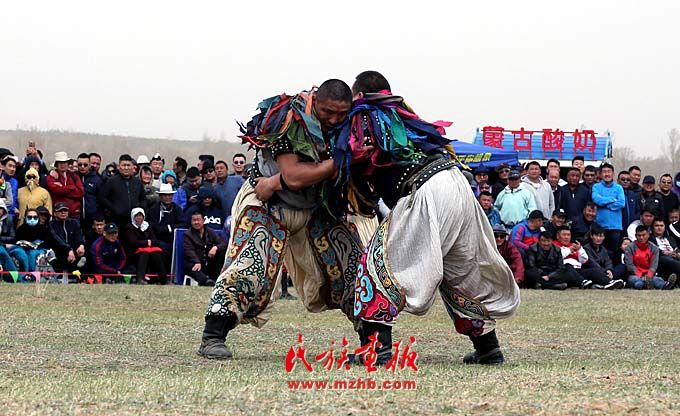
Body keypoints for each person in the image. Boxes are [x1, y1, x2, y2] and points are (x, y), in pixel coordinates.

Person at [331, 71, 519, 365]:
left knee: (377, 264)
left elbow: (350, 156)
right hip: (456, 185)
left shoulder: (366, 114)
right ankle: (488, 348)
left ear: (360, 95)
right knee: (461, 271)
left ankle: (377, 349)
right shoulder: (403, 116)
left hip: (425, 189)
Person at [198, 79, 364, 360]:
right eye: (327, 112)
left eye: (341, 114)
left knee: (352, 267)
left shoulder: (354, 124)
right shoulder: (290, 117)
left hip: (315, 205)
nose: (334, 120)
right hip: (267, 202)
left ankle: (374, 340)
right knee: (249, 266)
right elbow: (294, 176)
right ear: (315, 100)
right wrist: (339, 162)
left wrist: (282, 180)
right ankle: (213, 336)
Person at [98, 154, 145, 229]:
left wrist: (139, 209)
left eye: (128, 165)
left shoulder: (137, 182)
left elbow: (143, 199)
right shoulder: (111, 181)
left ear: (132, 167)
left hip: (133, 222)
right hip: (116, 220)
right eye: (124, 165)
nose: (126, 168)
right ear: (119, 167)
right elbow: (102, 198)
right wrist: (114, 209)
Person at [122, 207, 167, 285]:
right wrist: (148, 242)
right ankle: (140, 279)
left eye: (141, 216)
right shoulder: (129, 227)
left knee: (156, 254)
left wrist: (146, 243)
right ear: (133, 216)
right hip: (134, 252)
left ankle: (163, 279)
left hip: (149, 250)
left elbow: (155, 241)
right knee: (144, 254)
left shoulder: (147, 226)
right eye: (137, 216)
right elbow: (133, 242)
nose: (139, 218)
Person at [624, 225, 676, 290]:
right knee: (636, 281)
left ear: (648, 235)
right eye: (639, 235)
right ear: (635, 236)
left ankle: (665, 285)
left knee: (656, 280)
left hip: (650, 275)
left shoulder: (654, 248)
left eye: (644, 235)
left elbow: (654, 265)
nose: (641, 238)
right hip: (635, 275)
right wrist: (642, 276)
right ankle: (646, 285)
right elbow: (629, 265)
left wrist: (648, 276)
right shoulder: (630, 247)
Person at [183, 211, 227, 286]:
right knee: (194, 268)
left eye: (198, 220)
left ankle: (216, 279)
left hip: (208, 262)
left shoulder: (210, 231)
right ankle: (206, 281)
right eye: (194, 220)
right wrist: (197, 261)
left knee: (221, 253)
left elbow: (223, 243)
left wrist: (215, 247)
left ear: (203, 221)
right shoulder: (188, 234)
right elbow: (189, 250)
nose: (196, 222)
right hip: (194, 262)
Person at [591, 163, 625, 254]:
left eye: (609, 172)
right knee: (598, 252)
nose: (607, 174)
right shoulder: (596, 187)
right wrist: (612, 199)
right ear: (600, 174)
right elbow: (596, 199)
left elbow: (621, 203)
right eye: (604, 172)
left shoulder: (619, 188)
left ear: (613, 174)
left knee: (613, 253)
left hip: (615, 226)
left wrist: (606, 205)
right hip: (599, 226)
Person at [48, 202, 86, 272]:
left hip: (72, 251)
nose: (63, 212)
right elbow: (57, 240)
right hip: (58, 251)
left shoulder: (74, 223)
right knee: (62, 256)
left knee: (85, 252)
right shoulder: (51, 225)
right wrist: (69, 250)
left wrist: (81, 245)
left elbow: (79, 235)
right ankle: (75, 267)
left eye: (65, 210)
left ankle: (81, 272)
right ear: (55, 213)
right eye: (60, 211)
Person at [147, 183, 185, 254]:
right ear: (160, 196)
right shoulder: (153, 210)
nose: (167, 197)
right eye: (165, 195)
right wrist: (166, 229)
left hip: (174, 240)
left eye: (169, 195)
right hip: (159, 240)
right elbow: (154, 227)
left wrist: (168, 227)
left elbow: (182, 224)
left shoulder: (177, 209)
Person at [46, 152, 84, 220]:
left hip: (74, 214)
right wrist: (72, 187)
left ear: (67, 164)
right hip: (58, 214)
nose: (62, 165)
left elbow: (80, 192)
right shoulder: (51, 177)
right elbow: (56, 190)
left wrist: (62, 189)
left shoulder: (74, 176)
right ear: (56, 165)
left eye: (64, 162)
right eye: (60, 163)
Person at [15, 207, 51, 272]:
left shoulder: (44, 229)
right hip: (24, 249)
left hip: (40, 250)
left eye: (35, 217)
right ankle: (25, 274)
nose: (32, 219)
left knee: (32, 253)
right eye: (29, 217)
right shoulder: (20, 229)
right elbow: (17, 242)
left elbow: (47, 244)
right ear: (25, 218)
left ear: (38, 218)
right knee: (22, 254)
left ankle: (32, 274)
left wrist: (36, 245)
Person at [649, 218, 680, 286]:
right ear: (652, 228)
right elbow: (651, 250)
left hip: (674, 258)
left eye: (661, 225)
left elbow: (676, 249)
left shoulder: (670, 238)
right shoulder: (650, 239)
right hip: (660, 258)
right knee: (668, 260)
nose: (659, 228)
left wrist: (677, 254)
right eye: (657, 226)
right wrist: (664, 252)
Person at [76, 153, 102, 230]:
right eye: (80, 165)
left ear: (90, 165)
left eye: (85, 165)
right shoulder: (73, 177)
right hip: (77, 217)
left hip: (92, 218)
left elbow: (101, 199)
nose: (82, 167)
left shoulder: (97, 179)